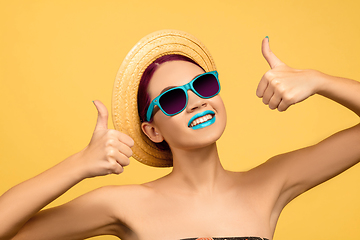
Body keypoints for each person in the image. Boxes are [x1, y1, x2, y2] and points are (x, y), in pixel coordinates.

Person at [0, 30, 359, 240]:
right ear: (152, 130)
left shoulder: (271, 182)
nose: (196, 102)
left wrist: (319, 80)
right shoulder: (122, 204)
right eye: (172, 98)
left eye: (203, 84)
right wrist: (78, 165)